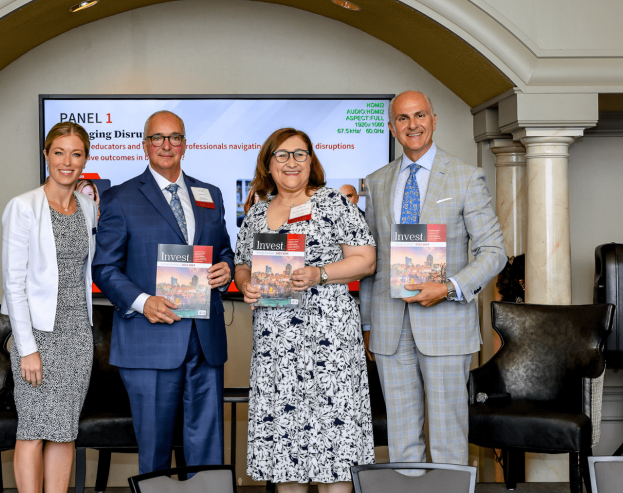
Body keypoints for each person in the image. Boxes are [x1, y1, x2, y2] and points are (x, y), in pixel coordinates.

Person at [359, 91, 506, 470]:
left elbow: (494, 252)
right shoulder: (376, 182)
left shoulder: (465, 176)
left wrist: (450, 287)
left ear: (434, 120)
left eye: (419, 115)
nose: (413, 125)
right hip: (390, 327)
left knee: (447, 436)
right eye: (403, 119)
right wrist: (369, 326)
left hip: (446, 322)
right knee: (402, 440)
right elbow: (373, 260)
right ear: (392, 128)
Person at [92, 110, 235, 475]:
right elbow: (104, 268)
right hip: (149, 338)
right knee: (154, 450)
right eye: (158, 138)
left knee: (207, 447)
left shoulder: (210, 194)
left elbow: (223, 251)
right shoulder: (120, 198)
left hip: (204, 338)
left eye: (174, 137)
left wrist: (227, 269)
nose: (166, 145)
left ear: (185, 144)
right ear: (145, 145)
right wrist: (144, 302)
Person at [235, 128, 376, 493]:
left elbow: (365, 260)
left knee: (334, 444)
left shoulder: (334, 203)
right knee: (286, 453)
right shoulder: (257, 213)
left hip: (329, 343)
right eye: (282, 155)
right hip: (276, 347)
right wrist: (245, 281)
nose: (291, 162)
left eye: (300, 154)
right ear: (268, 163)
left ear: (311, 160)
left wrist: (320, 273)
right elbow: (241, 263)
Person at [1, 122, 98, 493]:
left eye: (76, 153)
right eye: (59, 152)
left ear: (85, 158)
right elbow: (14, 283)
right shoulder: (23, 207)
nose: (67, 162)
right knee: (32, 429)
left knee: (64, 431)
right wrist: (27, 349)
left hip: (77, 335)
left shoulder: (88, 207)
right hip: (38, 336)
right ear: (46, 155)